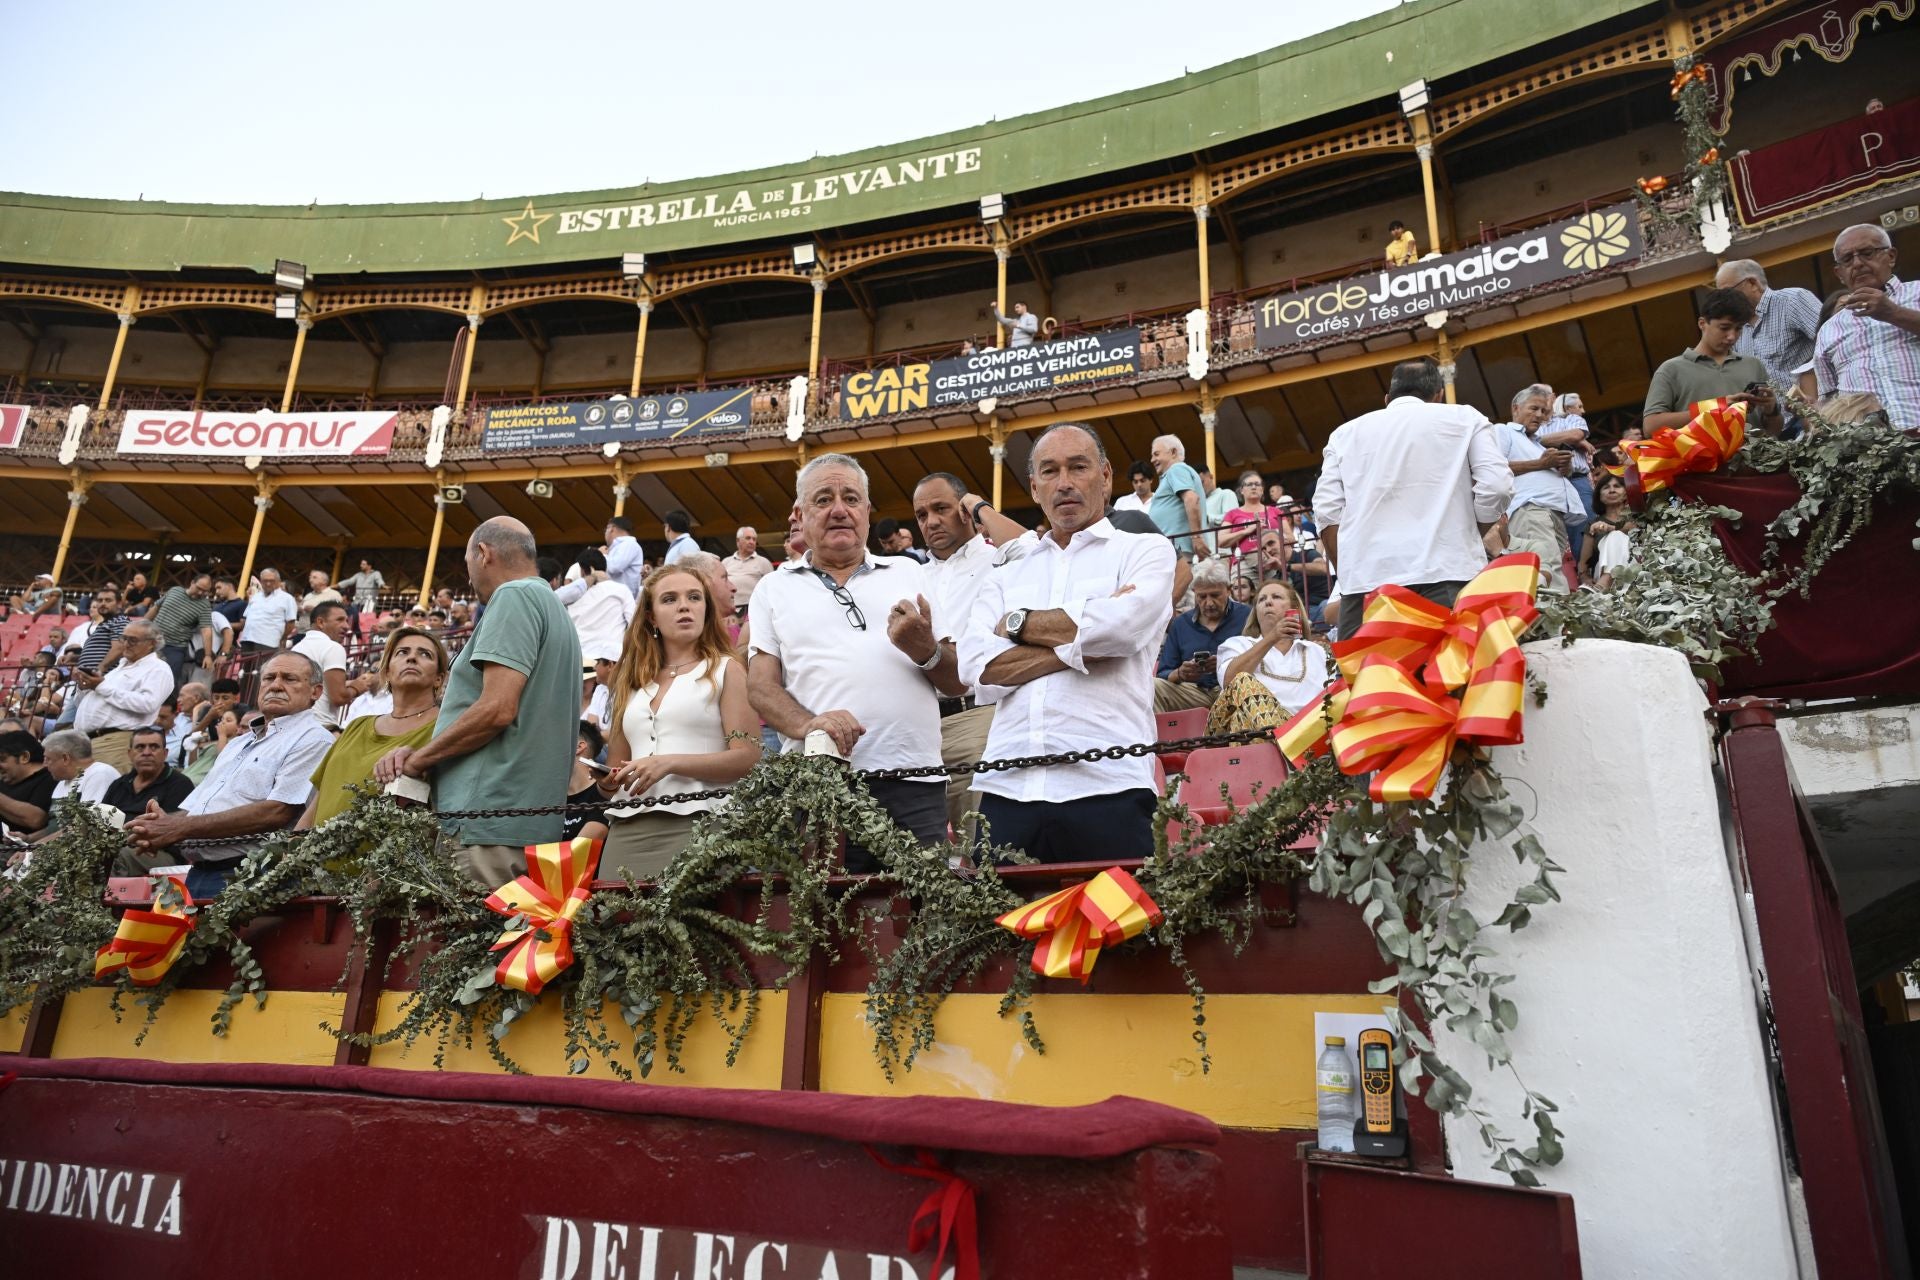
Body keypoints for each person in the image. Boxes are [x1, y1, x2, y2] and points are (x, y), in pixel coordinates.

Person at [959, 423, 1176, 863]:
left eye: (1078, 467)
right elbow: (978, 669)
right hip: (1007, 789)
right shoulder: (1005, 574)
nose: (1065, 483)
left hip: (1110, 783)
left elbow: (1122, 629)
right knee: (998, 932)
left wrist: (1017, 624)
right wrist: (1083, 640)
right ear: (1035, 488)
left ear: (1106, 476)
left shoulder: (1145, 550)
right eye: (1050, 472)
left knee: (1120, 930)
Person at [748, 453, 960, 868]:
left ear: (867, 510)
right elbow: (760, 686)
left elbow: (956, 681)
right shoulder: (772, 588)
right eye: (823, 499)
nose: (839, 510)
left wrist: (924, 650)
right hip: (818, 786)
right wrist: (809, 725)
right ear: (800, 514)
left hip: (913, 783)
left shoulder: (911, 573)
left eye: (851, 498)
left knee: (924, 921)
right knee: (823, 923)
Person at [374, 517, 582, 889]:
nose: (468, 579)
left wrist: (419, 760)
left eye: (468, 564)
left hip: (485, 823)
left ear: (483, 554)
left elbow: (497, 708)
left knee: (471, 944)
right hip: (527, 825)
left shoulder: (513, 595)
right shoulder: (556, 611)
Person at [1315, 357, 1513, 635]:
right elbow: (1497, 487)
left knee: (1368, 677)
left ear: (1387, 398)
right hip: (1449, 574)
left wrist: (1349, 574)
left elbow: (1326, 512)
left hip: (1366, 587)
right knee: (1451, 674)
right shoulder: (1466, 418)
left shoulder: (1344, 434)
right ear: (1439, 395)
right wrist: (1474, 534)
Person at [121, 651, 335, 896]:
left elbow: (277, 811)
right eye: (269, 678)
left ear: (315, 692)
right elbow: (197, 809)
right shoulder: (237, 743)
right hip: (201, 872)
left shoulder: (314, 739)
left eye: (289, 679)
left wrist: (178, 827)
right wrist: (159, 825)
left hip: (253, 876)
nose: (276, 685)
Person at [598, 565, 760, 878]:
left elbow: (749, 757)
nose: (684, 606)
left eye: (694, 597)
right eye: (670, 599)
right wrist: (606, 780)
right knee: (615, 922)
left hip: (704, 823)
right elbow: (616, 768)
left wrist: (668, 763)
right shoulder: (628, 680)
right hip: (627, 827)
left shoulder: (727, 669)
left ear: (706, 610)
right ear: (651, 617)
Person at [912, 471, 1034, 841]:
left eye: (941, 508)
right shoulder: (911, 574)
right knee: (926, 856)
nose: (931, 521)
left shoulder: (997, 558)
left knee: (983, 847)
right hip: (918, 723)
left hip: (976, 716)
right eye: (921, 515)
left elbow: (1031, 549)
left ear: (964, 511)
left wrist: (979, 507)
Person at [299, 626, 448, 829]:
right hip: (316, 859)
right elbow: (319, 801)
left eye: (425, 654)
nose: (412, 658)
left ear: (439, 678)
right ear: (386, 672)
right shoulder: (356, 727)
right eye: (402, 652)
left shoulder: (447, 728)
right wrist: (292, 852)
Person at [1813, 224, 1920, 428]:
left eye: (1867, 253)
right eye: (1847, 259)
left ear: (1891, 256)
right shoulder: (1829, 329)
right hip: (1871, 451)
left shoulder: (1917, 292)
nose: (1857, 263)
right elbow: (1827, 398)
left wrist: (1893, 313)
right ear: (1839, 273)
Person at [1643, 288, 1784, 435]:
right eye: (1724, 328)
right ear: (1702, 324)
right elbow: (1651, 427)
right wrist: (1717, 406)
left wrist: (1771, 410)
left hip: (1757, 457)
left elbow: (1774, 432)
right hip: (1700, 458)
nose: (1732, 336)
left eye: (1738, 329)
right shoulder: (1671, 370)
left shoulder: (1753, 365)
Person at [1496, 384, 1585, 595]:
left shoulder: (1537, 444)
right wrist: (1541, 464)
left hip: (1552, 514)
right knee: (1545, 571)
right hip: (1530, 510)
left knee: (1552, 569)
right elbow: (1494, 469)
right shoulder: (1503, 431)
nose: (1540, 415)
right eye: (1533, 408)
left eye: (1544, 411)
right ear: (1516, 408)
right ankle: (1556, 625)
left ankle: (1558, 621)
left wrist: (1564, 468)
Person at [1209, 581, 1333, 734]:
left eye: (1276, 597)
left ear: (1293, 609)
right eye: (1261, 600)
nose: (1268, 602)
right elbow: (1229, 682)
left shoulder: (1317, 651)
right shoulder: (1238, 644)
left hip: (1306, 732)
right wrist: (1272, 637)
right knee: (1242, 681)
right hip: (1250, 732)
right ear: (1256, 612)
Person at [73, 620, 173, 771]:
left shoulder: (158, 669)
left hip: (116, 743)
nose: (126, 644)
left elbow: (147, 704)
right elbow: (83, 703)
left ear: (151, 644)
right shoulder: (119, 669)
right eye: (123, 638)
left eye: (132, 640)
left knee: (107, 791)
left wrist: (100, 686)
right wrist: (84, 687)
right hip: (88, 741)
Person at [1154, 560, 1251, 712]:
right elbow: (1163, 673)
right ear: (1194, 592)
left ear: (1229, 590)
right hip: (1194, 691)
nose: (1209, 603)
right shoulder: (1181, 624)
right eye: (1202, 597)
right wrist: (1181, 673)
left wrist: (1226, 665)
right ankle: (1160, 736)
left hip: (1234, 689)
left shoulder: (1247, 616)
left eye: (1215, 595)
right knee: (1154, 687)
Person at [1716, 259, 1822, 394]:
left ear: (1753, 283)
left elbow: (1832, 343)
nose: (1724, 301)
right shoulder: (1737, 330)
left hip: (1820, 409)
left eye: (1727, 293)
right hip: (1777, 414)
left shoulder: (1792, 300)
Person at [102, 725, 196, 824]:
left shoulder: (180, 785)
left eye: (154, 747)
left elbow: (170, 827)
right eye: (140, 747)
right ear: (130, 754)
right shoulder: (119, 784)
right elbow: (100, 820)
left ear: (165, 753)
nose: (146, 753)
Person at [564, 548, 636, 663]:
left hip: (580, 660)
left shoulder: (571, 595)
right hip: (612, 661)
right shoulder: (621, 590)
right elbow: (635, 623)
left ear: (582, 570)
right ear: (605, 568)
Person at [290, 600, 353, 724]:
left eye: (346, 620)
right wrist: (358, 687)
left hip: (293, 725)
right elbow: (338, 697)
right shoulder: (332, 647)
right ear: (320, 622)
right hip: (320, 727)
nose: (347, 626)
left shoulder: (295, 649)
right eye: (340, 620)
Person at [1147, 434, 1207, 559]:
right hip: (1175, 549)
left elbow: (1191, 499)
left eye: (1156, 454)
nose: (1152, 460)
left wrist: (1196, 537)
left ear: (1173, 452)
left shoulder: (1176, 469)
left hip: (1179, 550)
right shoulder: (1176, 472)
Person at [1582, 473, 1639, 590]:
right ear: (1599, 496)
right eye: (1606, 487)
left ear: (1625, 493)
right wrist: (1585, 578)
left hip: (1634, 569)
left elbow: (1631, 528)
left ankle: (1604, 583)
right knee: (1615, 535)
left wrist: (1609, 528)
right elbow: (1583, 562)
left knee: (1616, 535)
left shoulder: (1636, 517)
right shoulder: (1592, 524)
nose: (1612, 490)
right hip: (1601, 571)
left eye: (1617, 486)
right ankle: (1605, 580)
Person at [0, 730, 57, 835]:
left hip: (28, 848)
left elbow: (36, 820)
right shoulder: (5, 782)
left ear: (24, 757)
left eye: (2, 759)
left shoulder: (49, 778)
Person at [239, 568, 299, 657]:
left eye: (272, 581)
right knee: (244, 670)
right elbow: (246, 618)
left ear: (279, 581)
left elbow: (290, 623)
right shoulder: (255, 597)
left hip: (269, 642)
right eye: (265, 581)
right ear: (260, 581)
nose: (268, 583)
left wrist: (283, 638)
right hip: (248, 639)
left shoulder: (287, 598)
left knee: (263, 669)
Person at [182, 708, 245, 785]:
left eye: (228, 720)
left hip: (199, 782)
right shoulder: (213, 742)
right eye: (222, 719)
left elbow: (222, 759)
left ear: (238, 727)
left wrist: (222, 735)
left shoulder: (236, 743)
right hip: (188, 775)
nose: (223, 722)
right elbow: (192, 764)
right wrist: (193, 746)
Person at [723, 527, 775, 614]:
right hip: (729, 609)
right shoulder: (726, 562)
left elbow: (772, 588)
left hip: (753, 611)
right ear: (738, 541)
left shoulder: (764, 562)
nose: (751, 542)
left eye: (754, 539)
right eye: (748, 538)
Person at [336, 558, 386, 635]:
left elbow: (379, 580)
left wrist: (383, 585)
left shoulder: (376, 573)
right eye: (361, 564)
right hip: (357, 601)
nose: (361, 566)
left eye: (363, 564)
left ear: (369, 566)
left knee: (368, 618)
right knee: (353, 616)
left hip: (370, 602)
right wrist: (337, 585)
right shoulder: (358, 575)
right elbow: (349, 581)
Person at [1196, 466, 1236, 555]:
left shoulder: (1226, 494)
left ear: (1211, 476)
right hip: (1202, 555)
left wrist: (1207, 518)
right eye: (1196, 485)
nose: (1200, 487)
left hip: (1222, 552)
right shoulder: (1197, 502)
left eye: (1202, 482)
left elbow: (1233, 519)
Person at [604, 516, 645, 594]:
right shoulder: (620, 546)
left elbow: (614, 568)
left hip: (621, 598)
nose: (605, 533)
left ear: (612, 528)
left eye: (606, 529)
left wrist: (603, 555)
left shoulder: (629, 544)